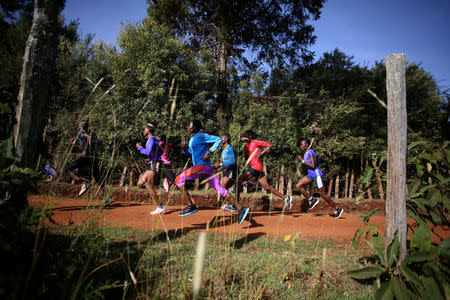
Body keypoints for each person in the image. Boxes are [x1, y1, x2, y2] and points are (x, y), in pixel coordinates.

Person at [175, 120, 249, 224]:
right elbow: (192, 154)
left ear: (194, 127)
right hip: (206, 169)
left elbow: (218, 139)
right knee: (220, 189)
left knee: (178, 179)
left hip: (202, 167)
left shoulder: (201, 135)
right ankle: (241, 208)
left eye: (189, 125)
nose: (188, 127)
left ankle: (190, 205)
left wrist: (209, 151)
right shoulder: (192, 139)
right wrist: (185, 150)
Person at [237, 130, 292, 209]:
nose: (244, 137)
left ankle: (236, 204)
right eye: (244, 136)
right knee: (266, 187)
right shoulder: (246, 145)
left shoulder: (255, 142)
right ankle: (285, 198)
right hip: (256, 168)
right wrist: (245, 150)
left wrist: (261, 153)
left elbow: (269, 145)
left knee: (239, 180)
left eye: (246, 135)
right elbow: (247, 158)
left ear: (250, 136)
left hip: (256, 167)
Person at [66, 121, 113, 206]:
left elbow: (88, 138)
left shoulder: (81, 132)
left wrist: (84, 150)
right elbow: (84, 145)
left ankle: (84, 182)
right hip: (93, 156)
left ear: (80, 126)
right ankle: (108, 197)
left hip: (88, 157)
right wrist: (76, 144)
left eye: (78, 124)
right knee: (97, 177)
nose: (77, 125)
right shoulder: (84, 133)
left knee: (68, 169)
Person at [295, 139, 344, 218]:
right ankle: (312, 199)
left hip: (317, 175)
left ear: (307, 145)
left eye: (302, 144)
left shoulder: (310, 152)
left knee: (322, 194)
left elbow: (313, 166)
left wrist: (302, 161)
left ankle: (337, 209)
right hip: (310, 175)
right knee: (298, 185)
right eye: (300, 145)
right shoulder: (305, 153)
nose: (301, 146)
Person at [136, 123, 165, 215]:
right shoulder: (152, 140)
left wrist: (139, 148)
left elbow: (147, 151)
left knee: (148, 186)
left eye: (144, 129)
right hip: (152, 164)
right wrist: (150, 160)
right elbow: (158, 152)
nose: (143, 131)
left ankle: (160, 207)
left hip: (155, 165)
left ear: (148, 130)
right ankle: (155, 189)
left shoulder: (152, 139)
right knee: (140, 184)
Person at [213, 133, 238, 213]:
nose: (220, 140)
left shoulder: (229, 149)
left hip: (231, 170)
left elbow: (233, 161)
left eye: (222, 138)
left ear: (226, 139)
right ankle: (229, 205)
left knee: (223, 186)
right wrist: (221, 168)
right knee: (222, 187)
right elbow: (227, 162)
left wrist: (220, 164)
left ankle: (234, 205)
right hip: (226, 170)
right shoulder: (224, 150)